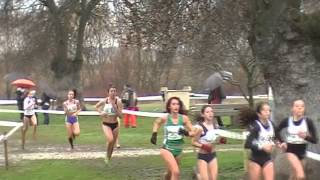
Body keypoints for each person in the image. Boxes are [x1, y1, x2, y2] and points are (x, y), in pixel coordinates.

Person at [150, 96, 194, 180]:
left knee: (170, 172)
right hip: (167, 148)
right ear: (169, 106)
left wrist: (186, 133)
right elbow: (156, 122)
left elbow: (194, 132)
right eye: (173, 104)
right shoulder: (166, 118)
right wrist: (154, 134)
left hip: (179, 150)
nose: (176, 106)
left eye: (177, 104)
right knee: (176, 172)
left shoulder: (184, 118)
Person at [275, 99, 318, 180]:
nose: (300, 108)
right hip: (290, 151)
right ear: (292, 108)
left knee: (294, 176)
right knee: (301, 175)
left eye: (302, 106)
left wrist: (305, 137)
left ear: (304, 109)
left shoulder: (308, 121)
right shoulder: (287, 120)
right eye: (297, 106)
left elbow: (315, 140)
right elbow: (276, 131)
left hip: (302, 152)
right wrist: (282, 142)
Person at [239, 102, 275, 180]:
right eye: (265, 111)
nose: (267, 112)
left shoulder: (272, 124)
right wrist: (262, 147)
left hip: (267, 159)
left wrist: (281, 143)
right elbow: (247, 144)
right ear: (259, 114)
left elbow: (278, 137)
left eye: (269, 110)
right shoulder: (255, 126)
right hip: (255, 160)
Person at [95, 85, 123, 164]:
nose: (113, 93)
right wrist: (101, 112)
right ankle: (107, 155)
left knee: (113, 143)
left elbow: (121, 116)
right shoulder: (104, 101)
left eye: (114, 91)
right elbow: (96, 106)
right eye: (111, 91)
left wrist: (115, 108)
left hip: (115, 124)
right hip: (106, 124)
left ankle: (108, 158)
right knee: (110, 140)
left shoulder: (118, 101)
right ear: (108, 92)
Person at [192, 105, 221, 180]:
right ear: (203, 114)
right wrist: (204, 146)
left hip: (212, 155)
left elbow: (215, 141)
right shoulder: (199, 128)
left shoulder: (216, 126)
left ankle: (198, 176)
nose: (210, 113)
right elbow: (193, 142)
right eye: (207, 112)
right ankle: (198, 175)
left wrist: (220, 140)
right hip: (202, 156)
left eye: (211, 111)